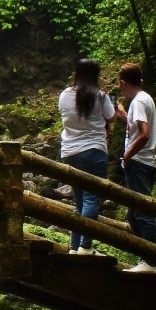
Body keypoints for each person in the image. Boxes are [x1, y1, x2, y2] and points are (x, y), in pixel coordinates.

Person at [58, 58, 116, 255]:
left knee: (79, 202)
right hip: (93, 150)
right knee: (92, 199)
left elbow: (65, 116)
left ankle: (74, 247)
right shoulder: (99, 95)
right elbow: (111, 117)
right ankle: (85, 246)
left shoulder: (65, 94)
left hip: (70, 153)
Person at [116, 62, 156, 273]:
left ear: (123, 83)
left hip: (139, 162)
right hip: (143, 162)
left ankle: (151, 262)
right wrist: (124, 114)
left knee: (142, 213)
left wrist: (127, 156)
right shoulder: (143, 99)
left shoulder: (139, 102)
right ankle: (146, 259)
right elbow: (137, 127)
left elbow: (144, 134)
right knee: (133, 215)